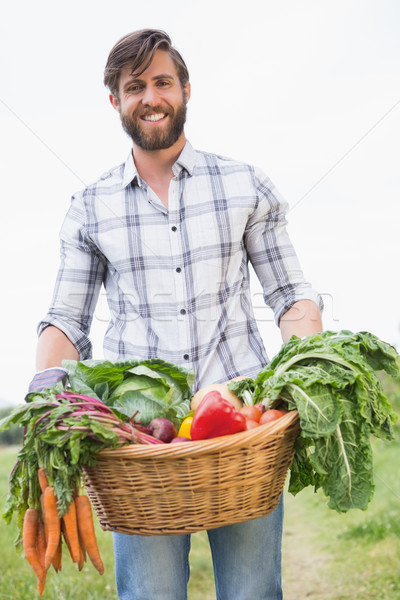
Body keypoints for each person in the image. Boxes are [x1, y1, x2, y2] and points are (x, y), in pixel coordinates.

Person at [30, 29, 323, 600]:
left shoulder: (243, 185)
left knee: (252, 592)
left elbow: (290, 295)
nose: (150, 97)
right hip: (137, 443)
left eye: (162, 81)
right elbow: (66, 318)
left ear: (186, 89)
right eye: (133, 86)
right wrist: (46, 398)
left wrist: (303, 371)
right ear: (115, 101)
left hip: (242, 427)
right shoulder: (90, 207)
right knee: (149, 595)